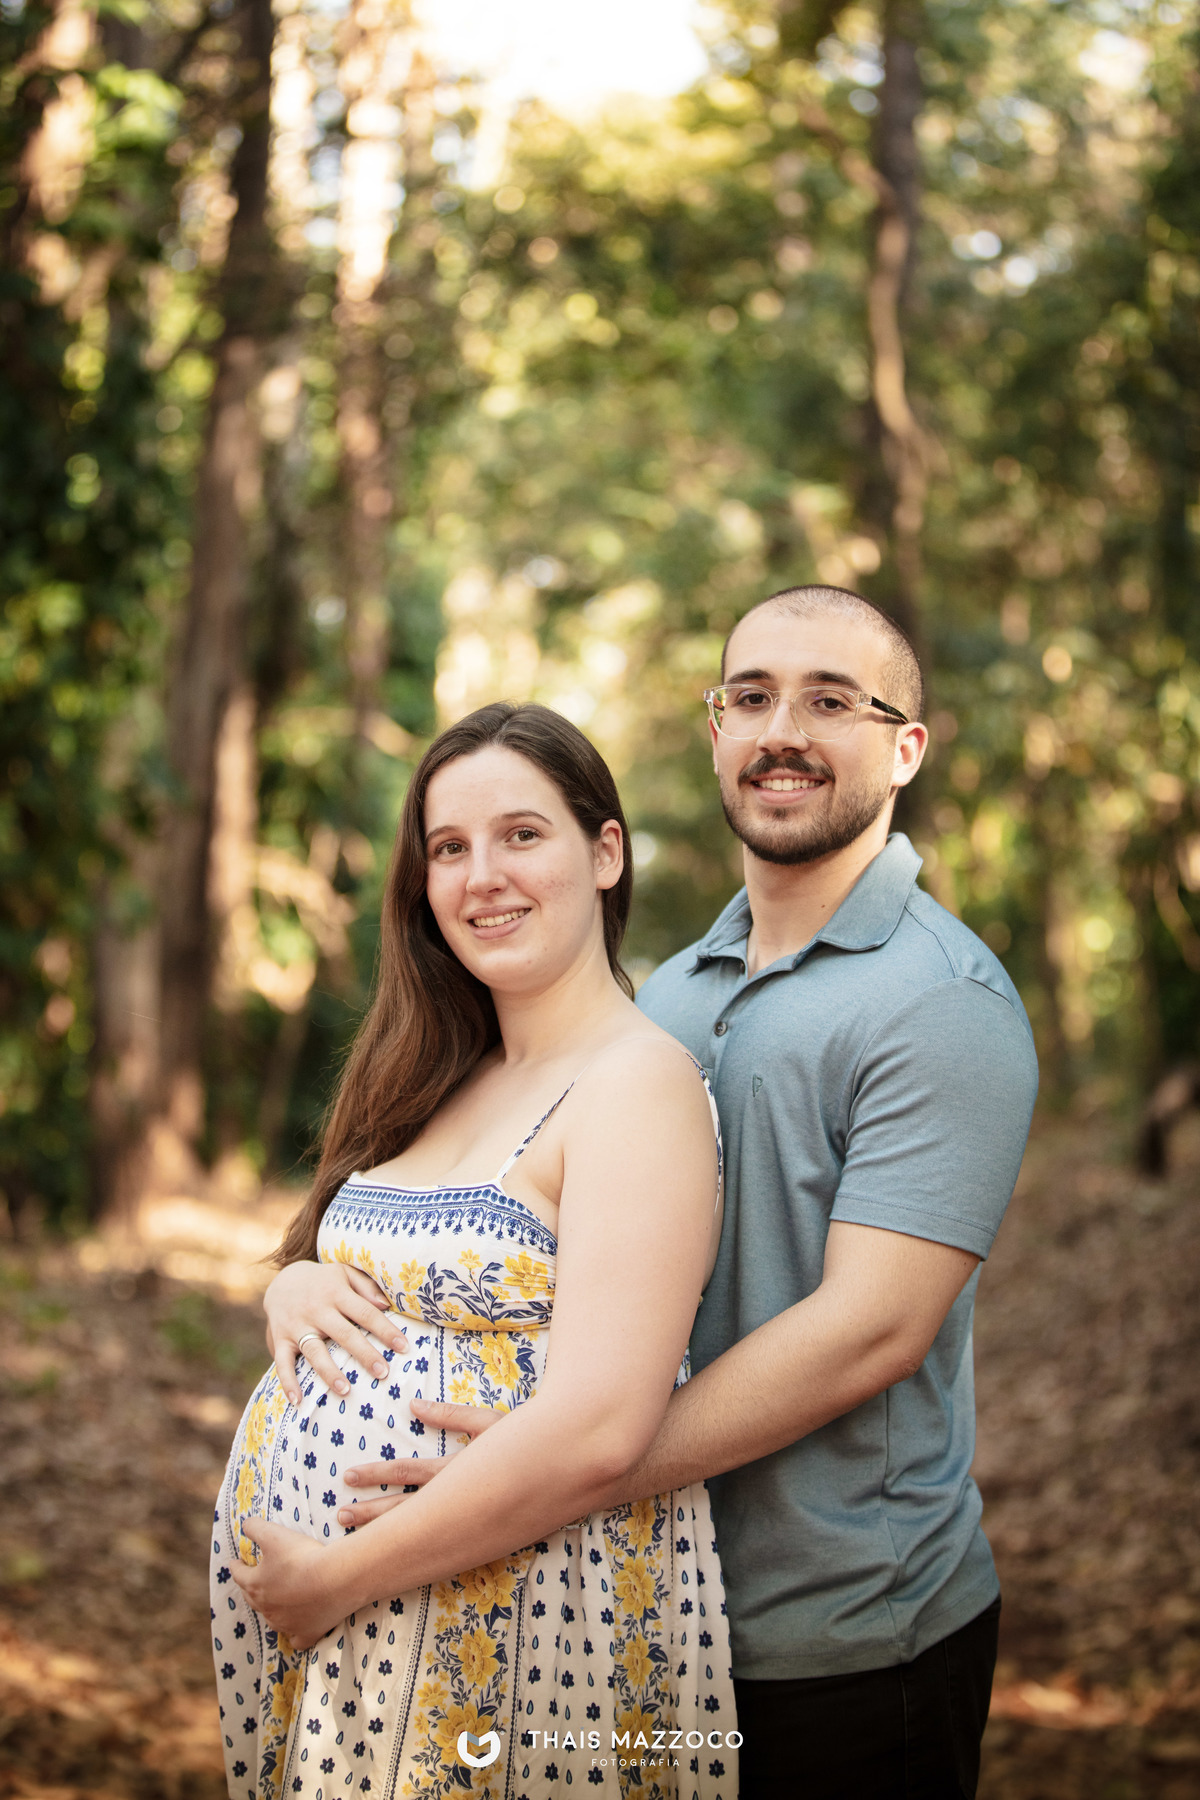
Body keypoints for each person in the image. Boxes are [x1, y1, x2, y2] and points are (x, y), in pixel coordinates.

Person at [337, 585, 1039, 1799]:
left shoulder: (942, 1003)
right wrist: (308, 1282)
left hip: (844, 1636)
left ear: (906, 748)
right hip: (640, 1611)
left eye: (832, 702)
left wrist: (565, 1468)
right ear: (715, 732)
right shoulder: (670, 992)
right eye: (751, 698)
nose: (783, 732)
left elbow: (870, 1330)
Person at [210, 702, 738, 1800]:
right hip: (359, 1636)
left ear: (605, 853)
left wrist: (340, 1577)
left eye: (521, 835)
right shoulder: (440, 1065)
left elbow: (600, 1426)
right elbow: (349, 1260)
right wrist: (294, 1283)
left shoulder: (636, 1085)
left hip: (519, 1625)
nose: (481, 876)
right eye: (449, 848)